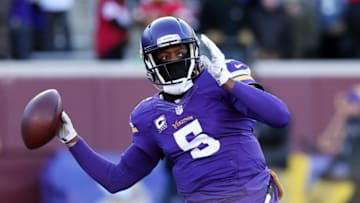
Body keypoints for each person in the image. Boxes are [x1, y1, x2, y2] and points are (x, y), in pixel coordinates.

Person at [56, 16, 291, 203]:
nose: (174, 61)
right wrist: (72, 140)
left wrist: (229, 83)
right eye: (164, 56)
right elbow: (117, 179)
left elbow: (279, 116)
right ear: (149, 62)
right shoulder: (148, 115)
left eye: (180, 53)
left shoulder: (222, 77)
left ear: (193, 51)